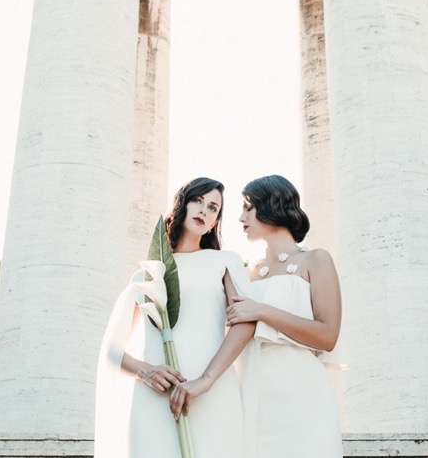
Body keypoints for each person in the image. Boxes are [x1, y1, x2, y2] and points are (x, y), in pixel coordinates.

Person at [96, 177, 254, 458]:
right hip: (155, 397)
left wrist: (205, 380)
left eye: (213, 208)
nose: (204, 210)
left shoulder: (225, 262)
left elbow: (245, 324)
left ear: (215, 222)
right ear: (182, 204)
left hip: (212, 393)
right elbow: (111, 351)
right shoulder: (146, 274)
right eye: (197, 201)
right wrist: (145, 371)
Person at [223, 174, 343, 458]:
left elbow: (328, 336)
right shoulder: (246, 274)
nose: (241, 217)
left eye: (248, 207)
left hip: (302, 393)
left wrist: (262, 310)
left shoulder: (315, 259)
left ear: (272, 205)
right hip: (252, 391)